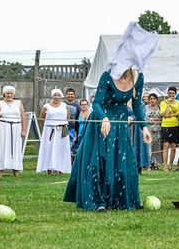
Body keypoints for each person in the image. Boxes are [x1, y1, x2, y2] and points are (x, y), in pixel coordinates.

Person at [64, 21, 156, 211]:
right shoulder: (107, 76)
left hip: (121, 124)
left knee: (123, 164)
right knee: (98, 161)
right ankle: (98, 202)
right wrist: (104, 119)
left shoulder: (138, 77)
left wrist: (143, 127)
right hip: (101, 122)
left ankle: (119, 200)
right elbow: (96, 102)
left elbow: (137, 104)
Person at [0, 86, 26, 177]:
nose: (9, 95)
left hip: (16, 127)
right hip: (3, 128)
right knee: (1, 148)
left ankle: (16, 169)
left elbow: (23, 117)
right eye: (7, 93)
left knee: (15, 148)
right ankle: (0, 169)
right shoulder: (0, 103)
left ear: (13, 94)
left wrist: (23, 129)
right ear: (4, 93)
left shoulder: (19, 103)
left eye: (11, 93)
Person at [36, 89, 71, 175]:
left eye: (58, 95)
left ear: (61, 96)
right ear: (52, 96)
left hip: (62, 130)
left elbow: (68, 116)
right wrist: (49, 125)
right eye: (55, 95)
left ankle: (61, 169)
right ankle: (49, 169)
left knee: (61, 149)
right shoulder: (47, 106)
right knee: (49, 148)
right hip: (49, 130)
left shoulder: (64, 105)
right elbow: (41, 118)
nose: (57, 97)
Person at [160, 87, 179, 171]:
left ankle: (171, 164)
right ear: (167, 93)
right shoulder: (163, 102)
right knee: (165, 145)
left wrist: (170, 115)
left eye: (173, 93)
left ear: (175, 94)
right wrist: (168, 105)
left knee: (173, 146)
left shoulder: (178, 102)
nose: (171, 95)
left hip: (175, 125)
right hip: (165, 125)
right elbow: (164, 114)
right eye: (170, 93)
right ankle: (165, 165)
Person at [145, 93, 162, 168]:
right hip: (148, 129)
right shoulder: (145, 107)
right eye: (151, 99)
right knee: (148, 146)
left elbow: (162, 118)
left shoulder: (160, 107)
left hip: (158, 129)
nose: (152, 100)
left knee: (156, 146)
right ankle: (148, 163)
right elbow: (144, 117)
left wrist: (154, 119)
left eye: (154, 99)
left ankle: (156, 163)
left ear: (156, 100)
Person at [64, 88, 80, 155]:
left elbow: (79, 117)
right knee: (64, 144)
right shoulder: (62, 104)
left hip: (73, 128)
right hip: (64, 127)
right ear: (66, 95)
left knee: (72, 144)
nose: (70, 95)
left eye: (72, 94)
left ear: (74, 95)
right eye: (68, 94)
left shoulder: (77, 105)